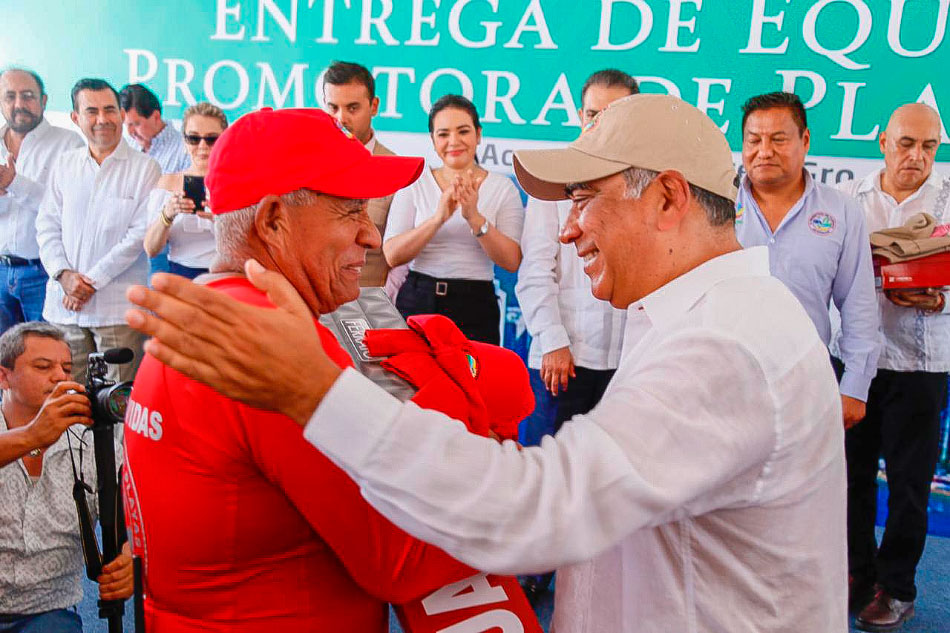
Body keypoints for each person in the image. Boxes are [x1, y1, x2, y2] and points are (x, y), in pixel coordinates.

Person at [124, 94, 850, 632]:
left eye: (584, 200)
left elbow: (538, 510)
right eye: (350, 210)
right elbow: (408, 552)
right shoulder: (709, 319)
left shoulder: (728, 341)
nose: (566, 230)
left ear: (667, 198)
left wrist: (320, 392)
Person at [122, 107, 536, 632]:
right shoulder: (266, 340)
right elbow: (401, 558)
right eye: (352, 210)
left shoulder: (224, 309)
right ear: (273, 221)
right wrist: (491, 448)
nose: (370, 235)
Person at [514, 68, 637, 603]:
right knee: (547, 469)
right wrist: (554, 341)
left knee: (614, 478)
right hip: (562, 359)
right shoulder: (552, 179)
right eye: (593, 114)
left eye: (615, 115)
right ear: (578, 117)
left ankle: (599, 576)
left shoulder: (648, 182)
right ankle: (532, 565)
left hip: (629, 364)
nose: (601, 124)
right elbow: (535, 273)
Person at [838, 103, 948, 632]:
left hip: (923, 365)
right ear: (882, 141)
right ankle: (856, 574)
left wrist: (941, 302)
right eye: (906, 144)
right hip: (857, 359)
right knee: (850, 477)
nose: (917, 157)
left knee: (909, 484)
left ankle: (898, 587)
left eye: (929, 147)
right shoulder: (848, 202)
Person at [734, 91, 880, 428]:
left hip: (805, 380)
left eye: (779, 139)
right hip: (724, 378)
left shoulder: (841, 212)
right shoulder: (717, 206)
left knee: (798, 480)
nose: (764, 151)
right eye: (754, 140)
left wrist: (855, 387)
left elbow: (858, 304)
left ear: (806, 140)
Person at [0, 322, 132, 632]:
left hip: (46, 609)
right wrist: (32, 436)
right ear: (3, 376)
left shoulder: (89, 440)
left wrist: (129, 558)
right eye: (43, 366)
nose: (60, 377)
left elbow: (136, 515)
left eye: (66, 367)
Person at [36, 78, 159, 383]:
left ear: (120, 113)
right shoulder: (64, 165)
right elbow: (47, 225)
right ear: (75, 118)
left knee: (118, 401)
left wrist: (88, 283)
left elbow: (139, 235)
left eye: (110, 110)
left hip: (117, 311)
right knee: (69, 399)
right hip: (64, 308)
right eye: (92, 111)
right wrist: (65, 276)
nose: (102, 119)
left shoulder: (145, 168)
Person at [382, 94, 523, 344]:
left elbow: (511, 261)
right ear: (433, 140)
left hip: (475, 303)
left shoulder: (503, 188)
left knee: (470, 383)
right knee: (411, 382)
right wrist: (438, 218)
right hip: (418, 298)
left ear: (478, 134)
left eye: (463, 131)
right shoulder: (416, 182)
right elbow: (392, 254)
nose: (453, 141)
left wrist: (475, 219)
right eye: (443, 134)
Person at [0, 68, 84, 332]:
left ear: (44, 100)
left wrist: (15, 183)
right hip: (1, 270)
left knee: (44, 359)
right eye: (10, 97)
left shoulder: (69, 144)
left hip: (44, 274)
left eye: (27, 96)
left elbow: (67, 211)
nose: (19, 105)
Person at [323, 60, 406, 294]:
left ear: (374, 106)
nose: (341, 118)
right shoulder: (308, 165)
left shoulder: (396, 170)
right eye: (333, 108)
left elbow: (400, 261)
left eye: (352, 108)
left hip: (368, 305)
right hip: (311, 306)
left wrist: (380, 307)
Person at [143, 103, 226, 279]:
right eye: (194, 139)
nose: (203, 146)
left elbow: (254, 247)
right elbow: (151, 249)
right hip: (180, 276)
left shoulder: (237, 184)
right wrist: (168, 214)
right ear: (184, 141)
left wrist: (223, 221)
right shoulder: (167, 183)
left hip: (226, 276)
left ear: (223, 140)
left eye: (211, 139)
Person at [118, 83, 190, 174]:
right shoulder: (125, 145)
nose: (130, 132)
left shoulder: (185, 150)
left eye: (136, 124)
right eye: (126, 125)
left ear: (156, 117)